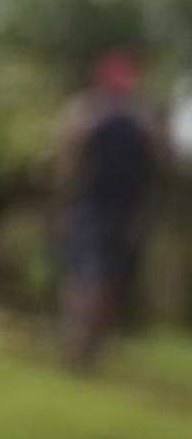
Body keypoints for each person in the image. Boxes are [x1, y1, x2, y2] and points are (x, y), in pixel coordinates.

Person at [53, 51, 163, 368]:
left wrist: (62, 198)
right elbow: (159, 160)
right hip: (111, 206)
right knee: (98, 276)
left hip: (102, 206)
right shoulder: (137, 116)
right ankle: (82, 344)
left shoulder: (89, 112)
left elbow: (66, 157)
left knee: (88, 275)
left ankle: (79, 344)